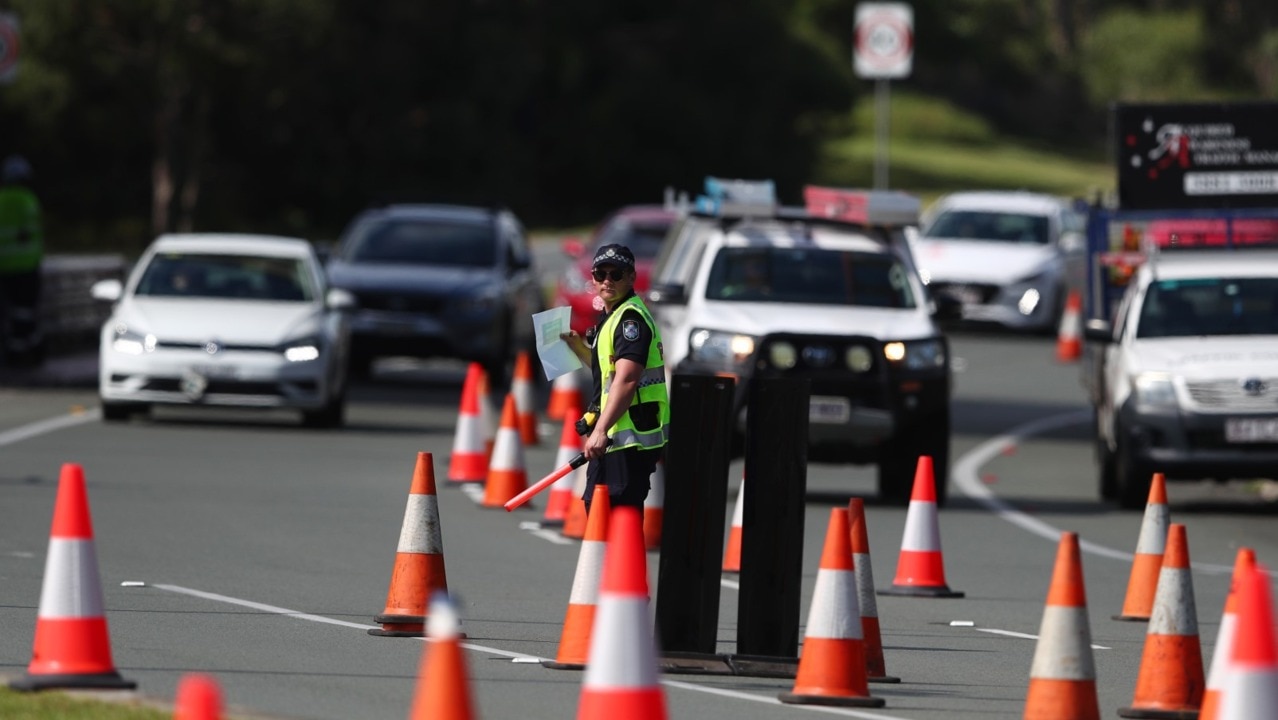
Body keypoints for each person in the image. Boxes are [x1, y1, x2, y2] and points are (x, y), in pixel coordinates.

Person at [560, 243, 669, 513]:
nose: (607, 280)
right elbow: (609, 373)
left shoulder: (630, 320)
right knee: (601, 512)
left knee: (613, 515)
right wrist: (581, 350)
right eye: (600, 274)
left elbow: (628, 379)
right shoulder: (612, 315)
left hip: (627, 438)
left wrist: (599, 430)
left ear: (631, 277)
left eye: (616, 274)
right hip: (616, 436)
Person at [0, 155, 45, 366]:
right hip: (27, 268)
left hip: (4, 269)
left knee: (12, 314)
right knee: (25, 313)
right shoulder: (27, 200)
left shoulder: (1, 200)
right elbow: (28, 234)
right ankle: (27, 352)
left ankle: (20, 350)